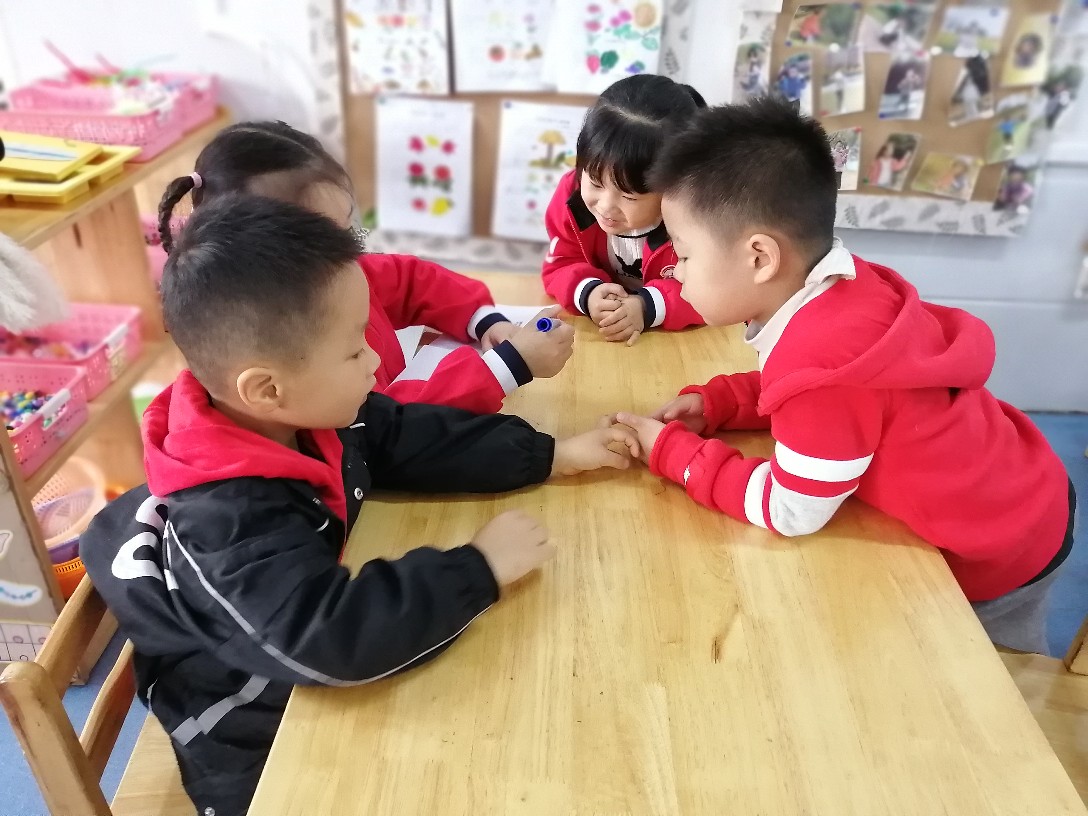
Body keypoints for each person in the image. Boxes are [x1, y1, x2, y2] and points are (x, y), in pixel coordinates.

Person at [81, 194, 638, 816]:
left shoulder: (293, 411)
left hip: (306, 657)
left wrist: (550, 455)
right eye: (353, 349)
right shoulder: (228, 520)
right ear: (266, 387)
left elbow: (401, 435)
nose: (376, 359)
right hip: (248, 728)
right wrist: (477, 569)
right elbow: (327, 637)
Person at [609, 96, 1075, 656]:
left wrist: (672, 454)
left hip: (1005, 547)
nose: (673, 271)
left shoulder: (823, 365)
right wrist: (723, 402)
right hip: (1025, 481)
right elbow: (810, 390)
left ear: (760, 258)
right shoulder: (839, 286)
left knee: (989, 679)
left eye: (684, 255)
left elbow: (789, 508)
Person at [158, 121, 572, 416]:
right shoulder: (294, 361)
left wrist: (482, 319)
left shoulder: (337, 277)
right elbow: (385, 424)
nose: (351, 253)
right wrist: (509, 365)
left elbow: (410, 280)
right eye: (331, 240)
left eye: (347, 228)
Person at [542, 75, 706, 345]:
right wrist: (588, 292)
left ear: (673, 189)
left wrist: (647, 306)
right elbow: (560, 263)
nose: (606, 206)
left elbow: (717, 290)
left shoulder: (701, 218)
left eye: (629, 196)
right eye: (595, 183)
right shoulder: (572, 196)